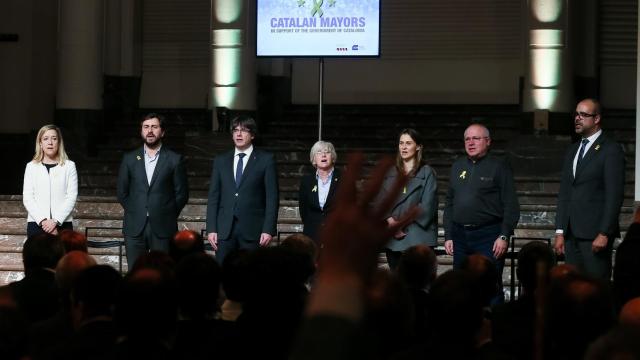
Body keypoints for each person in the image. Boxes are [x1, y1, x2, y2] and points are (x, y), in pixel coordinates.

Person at [443, 123, 520, 302]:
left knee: (490, 287)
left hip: (489, 236)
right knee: (460, 287)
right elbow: (449, 202)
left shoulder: (499, 167)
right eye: (467, 139)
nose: (470, 143)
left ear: (487, 141)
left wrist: (504, 235)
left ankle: (493, 327)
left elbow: (511, 204)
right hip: (460, 236)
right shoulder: (457, 166)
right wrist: (448, 235)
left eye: (476, 138)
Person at [554, 98, 625, 280]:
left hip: (595, 235)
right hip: (571, 236)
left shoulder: (610, 149)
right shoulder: (572, 150)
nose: (578, 118)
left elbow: (614, 195)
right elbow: (565, 193)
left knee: (595, 291)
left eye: (584, 115)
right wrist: (560, 231)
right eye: (576, 114)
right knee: (571, 291)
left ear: (596, 119)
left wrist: (604, 232)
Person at [116, 113, 189, 268]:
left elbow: (181, 194)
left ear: (162, 132)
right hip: (135, 226)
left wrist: (167, 213)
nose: (150, 131)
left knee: (163, 273)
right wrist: (135, 210)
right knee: (135, 273)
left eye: (154, 127)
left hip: (163, 226)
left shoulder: (175, 159)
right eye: (146, 127)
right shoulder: (130, 158)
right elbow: (122, 192)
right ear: (141, 131)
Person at [206, 115, 279, 264]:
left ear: (252, 135)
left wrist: (268, 229)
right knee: (223, 273)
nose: (239, 134)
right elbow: (214, 196)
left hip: (254, 230)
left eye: (244, 130)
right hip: (224, 230)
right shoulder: (221, 160)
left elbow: (272, 197)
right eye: (235, 130)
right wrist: (211, 228)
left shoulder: (266, 159)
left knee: (252, 275)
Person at [380, 128, 438, 270]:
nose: (404, 147)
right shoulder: (390, 172)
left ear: (418, 147)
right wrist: (391, 222)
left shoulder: (427, 172)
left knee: (416, 286)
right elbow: (380, 201)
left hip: (418, 237)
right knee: (397, 285)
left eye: (408, 143)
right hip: (393, 238)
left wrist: (401, 224)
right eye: (401, 143)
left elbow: (427, 207)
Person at [22, 124, 78, 237]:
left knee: (64, 255)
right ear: (40, 143)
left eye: (54, 138)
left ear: (59, 142)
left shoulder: (69, 166)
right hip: (36, 224)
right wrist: (43, 221)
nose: (50, 142)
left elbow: (71, 196)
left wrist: (55, 221)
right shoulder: (31, 167)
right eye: (46, 139)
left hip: (63, 223)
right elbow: (28, 197)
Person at [298, 140, 340, 246]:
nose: (323, 155)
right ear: (314, 159)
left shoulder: (344, 179)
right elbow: (304, 209)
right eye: (319, 152)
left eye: (327, 152)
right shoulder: (307, 180)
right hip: (312, 236)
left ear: (333, 157)